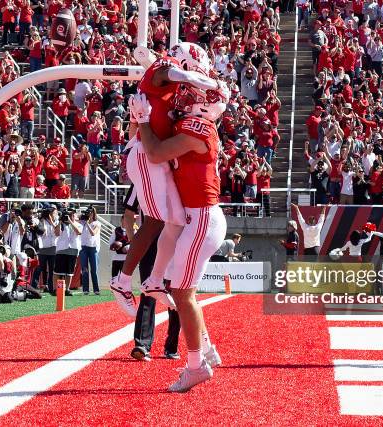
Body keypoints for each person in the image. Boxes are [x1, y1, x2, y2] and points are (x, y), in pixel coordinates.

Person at [129, 78, 228, 392]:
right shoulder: (190, 125)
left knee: (183, 294)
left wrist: (144, 119)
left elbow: (156, 153)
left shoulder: (201, 129)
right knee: (184, 293)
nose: (185, 98)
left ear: (207, 104)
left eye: (194, 95)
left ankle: (196, 365)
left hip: (201, 218)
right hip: (194, 218)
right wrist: (142, 120)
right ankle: (207, 351)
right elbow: (146, 143)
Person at [110, 42, 221, 317]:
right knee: (157, 221)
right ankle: (122, 281)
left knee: (178, 219)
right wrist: (211, 84)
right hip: (145, 156)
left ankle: (155, 280)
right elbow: (181, 76)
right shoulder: (163, 68)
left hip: (150, 152)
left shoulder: (168, 87)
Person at [122, 183, 181, 362]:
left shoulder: (173, 177)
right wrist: (135, 242)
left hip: (169, 242)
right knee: (151, 293)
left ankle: (168, 345)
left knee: (174, 292)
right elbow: (128, 214)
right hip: (155, 244)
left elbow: (128, 214)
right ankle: (144, 345)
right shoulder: (141, 181)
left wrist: (135, 242)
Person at [54, 208, 82, 296]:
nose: (70, 217)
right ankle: (57, 289)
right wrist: (60, 221)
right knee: (59, 271)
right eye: (69, 215)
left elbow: (78, 232)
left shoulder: (78, 224)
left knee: (69, 272)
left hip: (73, 249)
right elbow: (57, 233)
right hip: (62, 249)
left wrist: (70, 222)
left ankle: (67, 289)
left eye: (72, 215)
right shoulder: (61, 224)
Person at [79, 206, 101, 295]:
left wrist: (87, 223)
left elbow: (93, 233)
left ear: (94, 213)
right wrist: (82, 219)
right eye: (88, 213)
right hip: (83, 247)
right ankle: (85, 289)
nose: (89, 214)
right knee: (84, 269)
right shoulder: (82, 222)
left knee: (94, 270)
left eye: (91, 213)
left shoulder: (97, 223)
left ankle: (96, 289)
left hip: (93, 248)